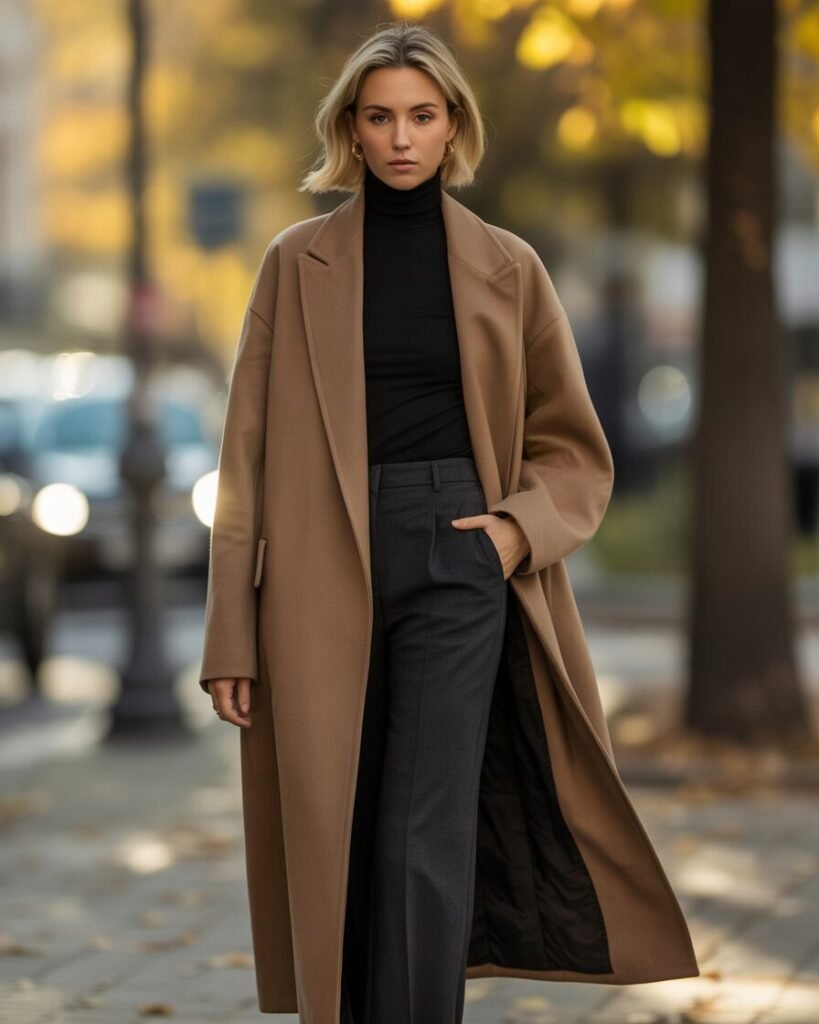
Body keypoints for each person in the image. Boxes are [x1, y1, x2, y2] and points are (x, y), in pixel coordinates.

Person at [201, 19, 699, 1024]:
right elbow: (243, 462)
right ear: (349, 127)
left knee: (424, 831)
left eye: (422, 117)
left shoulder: (509, 267)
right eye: (380, 116)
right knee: (337, 822)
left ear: (453, 127)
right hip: (318, 562)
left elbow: (573, 447)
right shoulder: (294, 265)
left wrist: (512, 534)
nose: (400, 138)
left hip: (459, 548)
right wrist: (230, 635)